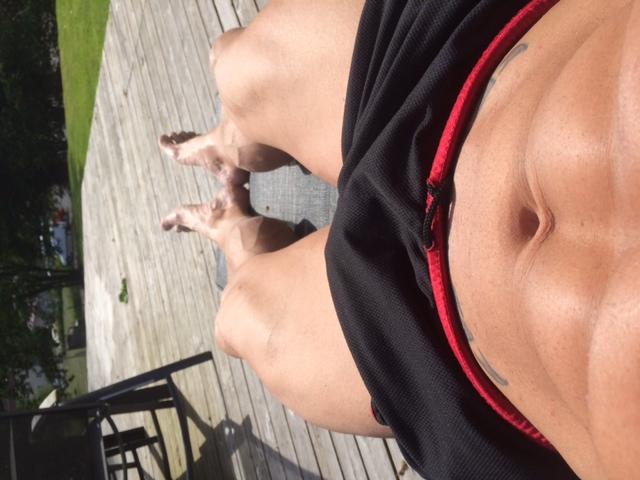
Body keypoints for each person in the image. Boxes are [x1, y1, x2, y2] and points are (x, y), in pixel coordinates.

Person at [158, 0, 640, 478]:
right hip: (468, 59)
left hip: (440, 353)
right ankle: (224, 147)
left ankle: (227, 228)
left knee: (237, 317)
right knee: (234, 70)